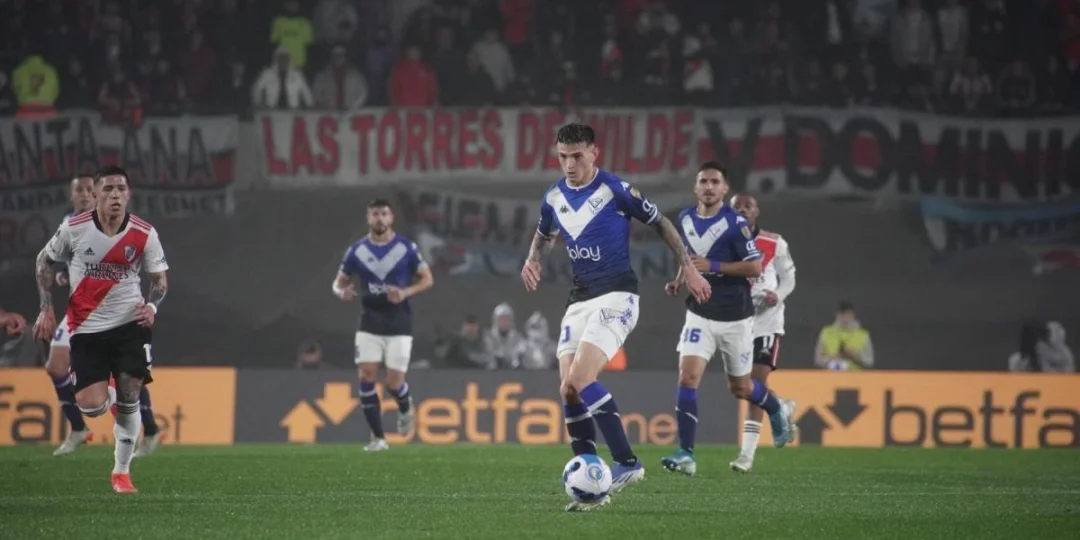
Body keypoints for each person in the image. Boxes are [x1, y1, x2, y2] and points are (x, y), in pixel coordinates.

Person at [520, 123, 711, 512]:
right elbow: (544, 233)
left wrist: (689, 268)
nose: (569, 164)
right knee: (567, 390)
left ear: (594, 153)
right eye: (563, 157)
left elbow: (661, 223)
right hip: (579, 300)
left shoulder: (615, 189)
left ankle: (627, 462)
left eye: (577, 156)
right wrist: (532, 259)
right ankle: (592, 481)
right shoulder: (553, 196)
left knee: (580, 379)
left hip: (617, 295)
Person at [31, 165, 169, 493]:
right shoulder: (74, 228)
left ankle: (121, 473)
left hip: (129, 325)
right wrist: (46, 309)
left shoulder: (144, 233)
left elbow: (159, 281)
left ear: (129, 194)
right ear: (95, 195)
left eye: (121, 188)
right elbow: (43, 261)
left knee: (131, 394)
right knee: (92, 406)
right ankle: (108, 399)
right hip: (86, 328)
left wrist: (151, 307)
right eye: (108, 189)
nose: (115, 195)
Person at [660, 163, 797, 477]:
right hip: (699, 313)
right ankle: (686, 454)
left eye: (715, 182)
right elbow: (687, 255)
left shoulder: (736, 224)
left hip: (736, 318)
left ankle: (776, 407)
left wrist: (713, 265)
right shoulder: (685, 218)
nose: (708, 187)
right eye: (703, 181)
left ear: (724, 189)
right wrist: (680, 279)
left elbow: (754, 268)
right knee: (687, 378)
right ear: (696, 187)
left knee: (741, 387)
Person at [333, 199, 434, 451]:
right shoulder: (356, 251)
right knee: (366, 376)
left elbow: (427, 279)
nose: (379, 218)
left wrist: (405, 292)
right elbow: (338, 282)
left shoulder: (406, 248)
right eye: (375, 214)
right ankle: (378, 438)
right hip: (369, 321)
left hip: (399, 321)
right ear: (368, 218)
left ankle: (405, 405)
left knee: (394, 383)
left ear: (391, 218)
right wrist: (341, 292)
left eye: (384, 214)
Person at [729, 193, 797, 473]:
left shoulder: (774, 242)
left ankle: (746, 455)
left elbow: (789, 278)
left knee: (756, 380)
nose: (742, 210)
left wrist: (777, 296)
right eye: (737, 206)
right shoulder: (721, 242)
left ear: (757, 211)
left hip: (767, 321)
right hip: (736, 323)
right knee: (742, 387)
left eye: (748, 206)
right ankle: (780, 405)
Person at [815, 301, 874, 370]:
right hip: (831, 375)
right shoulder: (826, 332)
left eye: (848, 315)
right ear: (837, 315)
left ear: (853, 315)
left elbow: (869, 362)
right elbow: (818, 360)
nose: (845, 319)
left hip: (854, 375)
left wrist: (854, 355)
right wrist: (831, 358)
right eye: (842, 315)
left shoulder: (863, 335)